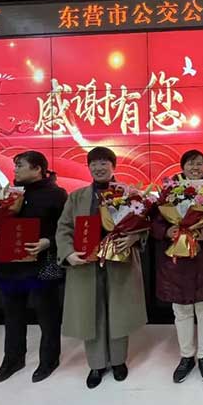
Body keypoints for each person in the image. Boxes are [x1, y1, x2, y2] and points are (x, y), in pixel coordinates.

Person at [55, 147, 148, 389]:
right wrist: (68, 253)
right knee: (91, 313)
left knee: (118, 313)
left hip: (119, 263)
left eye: (104, 163)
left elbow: (145, 224)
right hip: (86, 265)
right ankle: (96, 365)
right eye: (94, 163)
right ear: (88, 167)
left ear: (113, 166)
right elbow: (64, 228)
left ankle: (118, 361)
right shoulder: (76, 197)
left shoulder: (129, 194)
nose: (99, 168)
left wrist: (135, 237)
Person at [151, 149, 203, 383]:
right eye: (190, 164)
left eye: (199, 164)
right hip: (177, 262)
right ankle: (186, 356)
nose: (195, 168)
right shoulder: (169, 192)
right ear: (182, 167)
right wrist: (167, 231)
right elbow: (154, 222)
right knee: (181, 311)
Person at [0, 151, 67, 384]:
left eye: (20, 166)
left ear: (37, 169)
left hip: (43, 262)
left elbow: (65, 227)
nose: (15, 170)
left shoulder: (56, 194)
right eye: (15, 165)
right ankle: (13, 359)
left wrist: (48, 241)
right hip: (12, 264)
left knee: (47, 315)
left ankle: (49, 360)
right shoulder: (9, 194)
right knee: (13, 314)